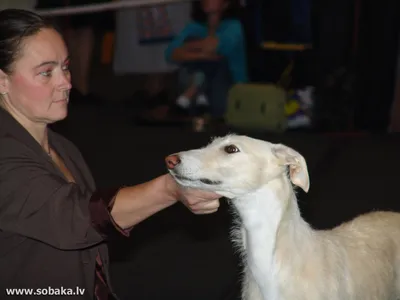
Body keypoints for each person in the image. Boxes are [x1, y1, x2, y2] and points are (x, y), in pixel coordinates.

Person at [0, 8, 221, 299]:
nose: (66, 82)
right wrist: (169, 189)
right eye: (46, 72)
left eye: (66, 67)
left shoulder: (61, 146)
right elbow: (76, 219)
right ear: (2, 81)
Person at [164, 0, 248, 120]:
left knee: (216, 62)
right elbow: (171, 53)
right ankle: (196, 96)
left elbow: (215, 46)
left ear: (226, 4)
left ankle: (190, 95)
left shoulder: (233, 26)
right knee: (200, 62)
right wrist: (202, 55)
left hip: (228, 85)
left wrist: (188, 46)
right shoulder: (194, 27)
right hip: (199, 81)